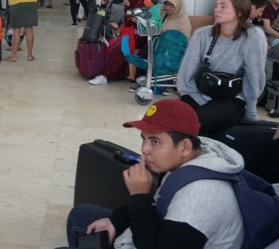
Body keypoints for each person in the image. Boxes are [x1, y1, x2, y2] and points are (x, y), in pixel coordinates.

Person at [65, 99, 244, 248]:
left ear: (185, 147)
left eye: (155, 141)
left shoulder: (196, 202)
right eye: (144, 139)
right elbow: (159, 205)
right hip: (162, 232)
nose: (144, 149)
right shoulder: (192, 157)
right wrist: (116, 221)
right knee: (80, 215)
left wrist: (140, 196)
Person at [177, 0, 266, 131]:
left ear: (239, 11)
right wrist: (201, 101)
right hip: (198, 94)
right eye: (216, 5)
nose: (217, 10)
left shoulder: (252, 36)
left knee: (197, 122)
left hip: (232, 99)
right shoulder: (202, 35)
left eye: (223, 6)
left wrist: (250, 112)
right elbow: (186, 76)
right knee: (175, 121)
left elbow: (254, 77)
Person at [127, 0, 192, 87]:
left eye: (171, 6)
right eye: (166, 5)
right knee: (143, 53)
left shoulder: (183, 18)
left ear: (177, 6)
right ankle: (141, 80)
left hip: (172, 48)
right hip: (159, 43)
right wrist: (161, 10)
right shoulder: (164, 15)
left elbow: (185, 37)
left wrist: (169, 38)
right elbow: (155, 24)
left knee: (157, 59)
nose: (168, 8)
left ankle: (157, 82)